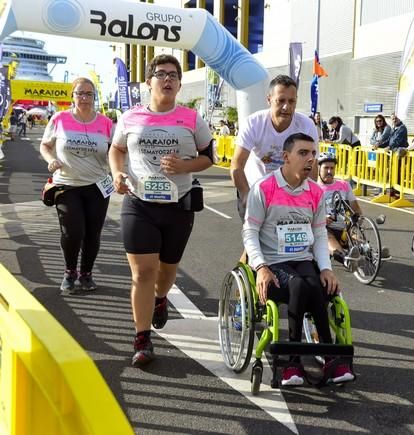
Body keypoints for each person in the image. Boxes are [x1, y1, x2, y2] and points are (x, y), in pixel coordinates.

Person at [109, 54, 214, 367]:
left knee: (166, 272)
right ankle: (142, 339)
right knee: (143, 273)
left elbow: (209, 156)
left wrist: (185, 165)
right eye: (161, 74)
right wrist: (117, 173)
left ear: (179, 84)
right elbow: (116, 149)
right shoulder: (129, 117)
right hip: (139, 205)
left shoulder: (192, 119)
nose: (167, 79)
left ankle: (161, 298)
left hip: (178, 208)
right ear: (148, 82)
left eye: (173, 75)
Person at [242, 133, 354, 386]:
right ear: (286, 157)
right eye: (303, 153)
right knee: (299, 285)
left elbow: (318, 232)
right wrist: (260, 267)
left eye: (313, 154)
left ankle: (330, 358)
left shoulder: (315, 191)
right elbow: (249, 231)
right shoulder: (265, 188)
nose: (310, 159)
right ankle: (291, 362)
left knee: (317, 284)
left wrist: (326, 269)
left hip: (302, 258)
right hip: (272, 261)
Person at [39, 77, 114, 293]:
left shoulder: (106, 123)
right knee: (73, 232)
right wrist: (50, 160)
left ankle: (86, 274)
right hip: (66, 185)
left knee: (93, 233)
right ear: (72, 96)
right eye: (79, 93)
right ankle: (70, 272)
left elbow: (117, 150)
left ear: (94, 97)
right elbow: (45, 145)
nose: (84, 98)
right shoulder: (59, 119)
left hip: (98, 186)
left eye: (89, 94)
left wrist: (118, 169)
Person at [231, 75, 318, 221]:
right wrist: (246, 194)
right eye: (281, 100)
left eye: (292, 101)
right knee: (256, 239)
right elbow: (236, 165)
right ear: (269, 100)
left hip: (291, 191)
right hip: (257, 189)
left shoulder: (306, 125)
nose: (286, 107)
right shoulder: (253, 123)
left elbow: (311, 165)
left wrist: (308, 196)